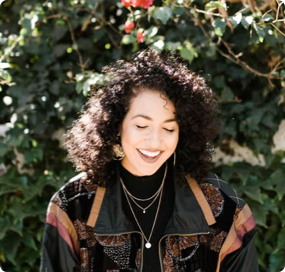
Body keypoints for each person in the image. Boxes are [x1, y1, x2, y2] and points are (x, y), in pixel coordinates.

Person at [40, 48, 259, 272]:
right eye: (141, 126)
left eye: (168, 128)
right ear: (116, 125)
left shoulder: (223, 207)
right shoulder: (72, 204)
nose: (155, 141)